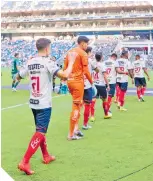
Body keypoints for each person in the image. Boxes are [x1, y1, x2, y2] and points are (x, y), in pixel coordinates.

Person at [17, 38, 74, 175]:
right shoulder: (48, 62)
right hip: (44, 103)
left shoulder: (30, 61)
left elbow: (18, 77)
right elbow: (65, 76)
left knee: (40, 130)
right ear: (47, 48)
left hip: (33, 102)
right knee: (40, 132)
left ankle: (46, 156)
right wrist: (71, 62)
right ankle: (24, 161)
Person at [64, 36, 93, 140]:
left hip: (70, 82)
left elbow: (65, 68)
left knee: (79, 104)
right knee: (76, 106)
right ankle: (71, 134)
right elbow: (86, 71)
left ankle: (76, 129)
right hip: (78, 82)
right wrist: (91, 81)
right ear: (82, 43)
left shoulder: (69, 52)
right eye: (87, 44)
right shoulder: (83, 53)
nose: (87, 46)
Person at [82, 46, 97, 130]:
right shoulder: (90, 61)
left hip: (79, 84)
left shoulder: (79, 59)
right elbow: (97, 70)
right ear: (89, 52)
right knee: (87, 105)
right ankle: (85, 124)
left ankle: (75, 126)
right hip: (87, 85)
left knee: (78, 106)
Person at [91, 52, 110, 119]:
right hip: (101, 84)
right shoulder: (102, 65)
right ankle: (106, 114)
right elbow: (105, 76)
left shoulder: (93, 64)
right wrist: (108, 85)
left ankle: (92, 116)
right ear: (101, 57)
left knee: (93, 99)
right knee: (104, 99)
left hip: (94, 84)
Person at [104, 53, 118, 117]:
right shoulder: (115, 62)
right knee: (110, 96)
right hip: (112, 81)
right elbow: (117, 71)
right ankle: (108, 109)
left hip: (105, 80)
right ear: (114, 57)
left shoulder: (104, 62)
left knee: (104, 96)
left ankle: (106, 109)